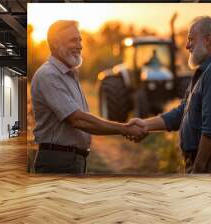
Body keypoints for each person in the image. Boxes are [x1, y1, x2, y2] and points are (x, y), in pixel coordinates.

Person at [128, 16, 211, 174]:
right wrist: (146, 124)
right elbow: (183, 111)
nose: (187, 45)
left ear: (207, 39)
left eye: (191, 39)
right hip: (207, 162)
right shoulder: (206, 70)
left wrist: (198, 168)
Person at [31, 20, 147, 174]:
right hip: (58, 161)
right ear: (55, 44)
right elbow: (79, 120)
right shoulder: (49, 75)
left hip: (73, 160)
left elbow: (84, 122)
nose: (80, 45)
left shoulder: (70, 75)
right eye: (73, 40)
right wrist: (124, 128)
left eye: (80, 40)